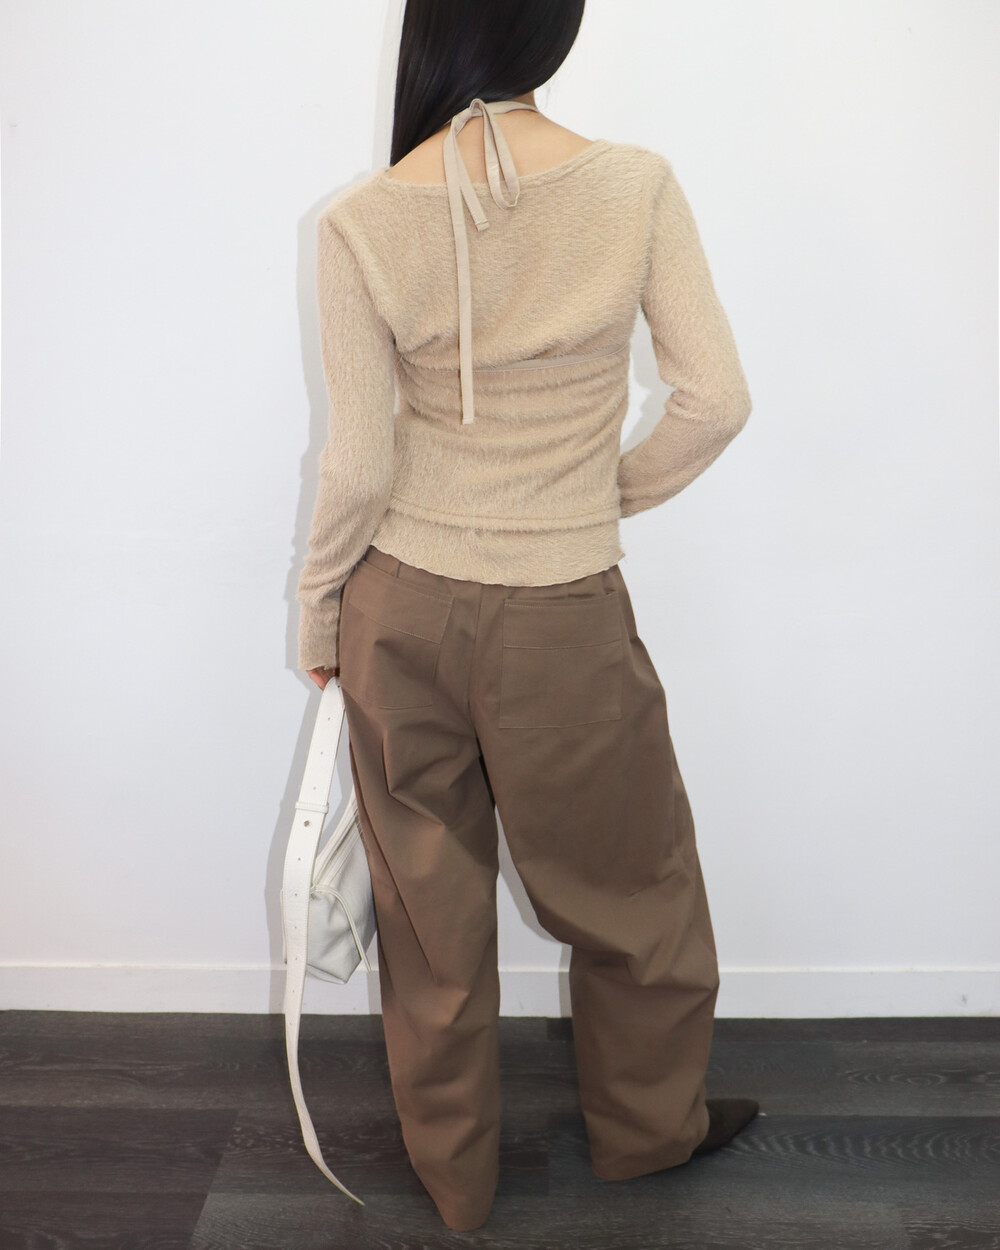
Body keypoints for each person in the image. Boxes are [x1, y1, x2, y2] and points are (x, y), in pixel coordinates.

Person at [295, 0, 758, 1232]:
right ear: (549, 31)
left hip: (398, 608)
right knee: (634, 894)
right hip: (563, 614)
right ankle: (647, 1136)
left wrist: (317, 608)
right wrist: (598, 493)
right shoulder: (634, 186)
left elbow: (356, 467)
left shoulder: (359, 219)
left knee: (427, 912)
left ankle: (457, 1181)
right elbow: (716, 401)